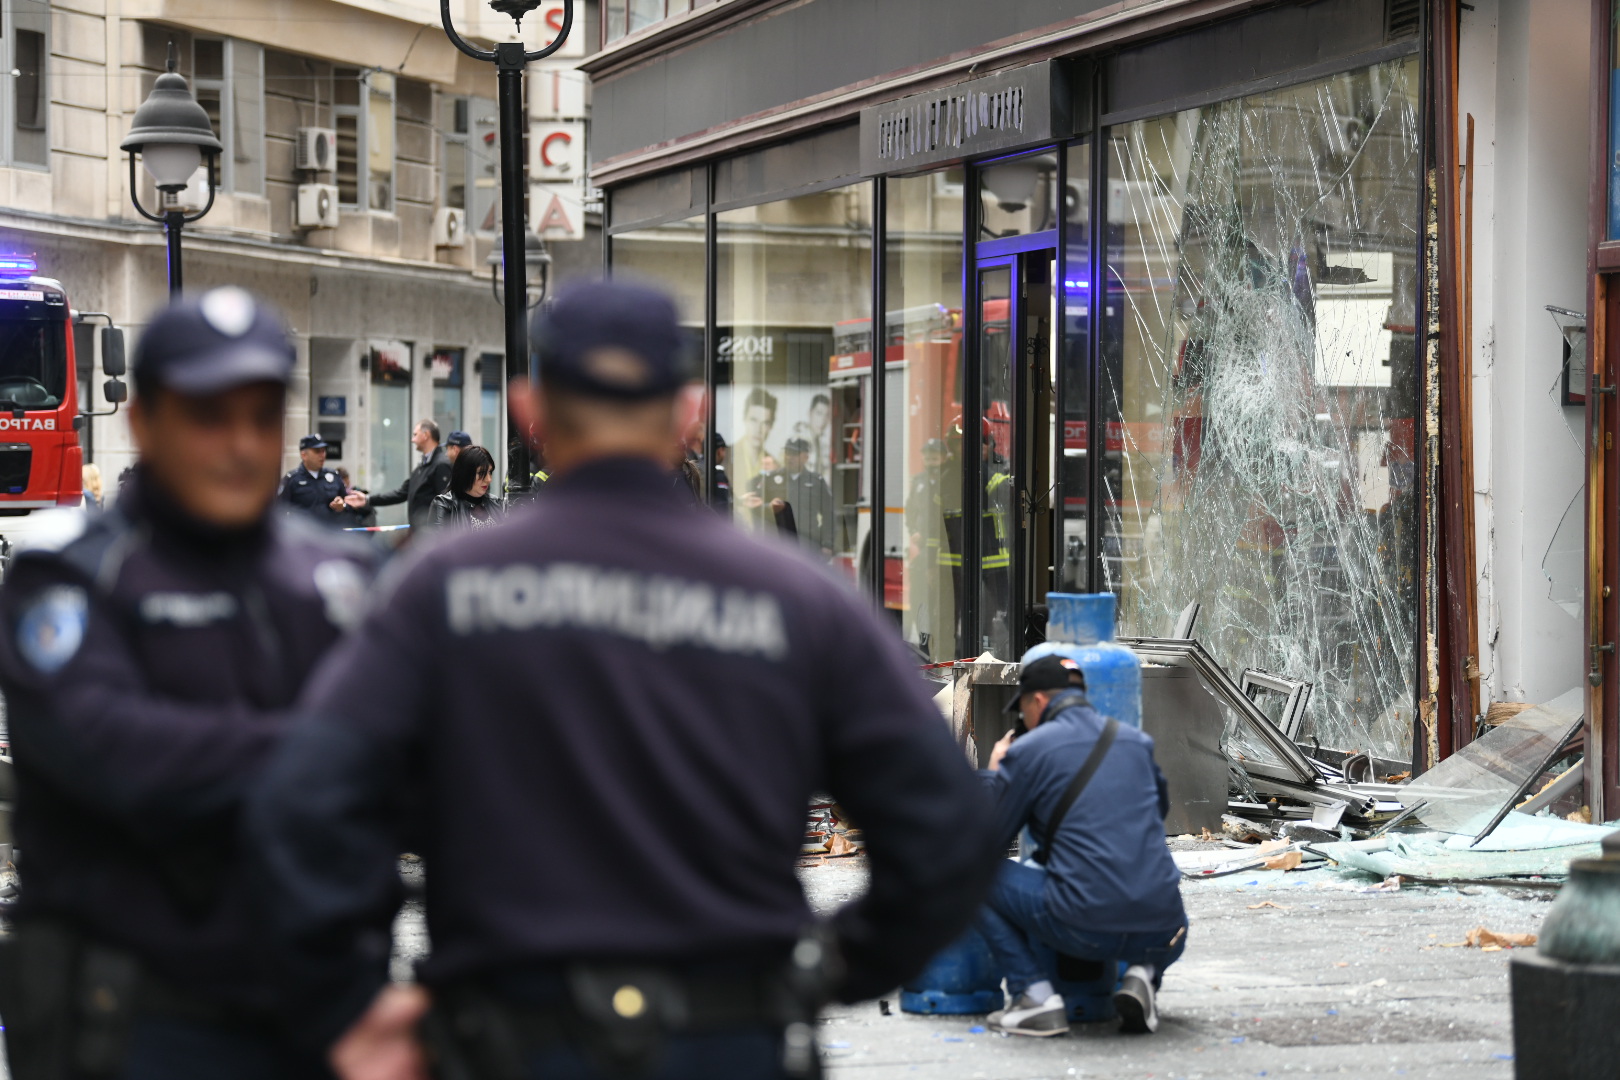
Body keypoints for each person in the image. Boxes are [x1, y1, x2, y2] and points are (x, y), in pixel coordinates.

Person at [250, 279, 998, 1080]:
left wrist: (358, 995)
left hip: (510, 1036)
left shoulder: (443, 591)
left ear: (531, 410)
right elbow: (950, 832)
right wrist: (823, 967)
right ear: (690, 413)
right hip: (730, 1038)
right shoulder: (794, 598)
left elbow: (303, 809)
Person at [0, 287, 375, 1079]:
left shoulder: (336, 575)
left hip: (321, 1010)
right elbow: (114, 753)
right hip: (132, 1016)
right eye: (208, 416)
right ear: (144, 422)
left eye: (262, 417)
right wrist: (339, 751)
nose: (240, 444)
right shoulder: (71, 576)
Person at [976, 655, 1187, 1038]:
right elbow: (1158, 813)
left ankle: (1034, 996)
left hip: (1085, 926)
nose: (1023, 720)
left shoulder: (1029, 750)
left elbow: (989, 840)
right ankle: (1143, 975)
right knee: (1156, 905)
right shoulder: (1136, 741)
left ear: (1038, 701)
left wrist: (995, 772)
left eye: (1022, 710)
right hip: (1166, 928)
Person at [348, 419, 451, 530]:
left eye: (415, 434)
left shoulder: (441, 465)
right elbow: (401, 493)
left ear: (426, 435)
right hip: (419, 533)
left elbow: (445, 505)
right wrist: (367, 500)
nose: (412, 440)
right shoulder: (422, 467)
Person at [779, 437, 835, 560]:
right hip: (779, 543)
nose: (789, 457)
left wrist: (827, 543)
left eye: (794, 454)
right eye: (787, 453)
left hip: (808, 544)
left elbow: (829, 514)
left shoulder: (816, 481)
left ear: (806, 457)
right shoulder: (773, 480)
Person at [279, 434, 353, 526]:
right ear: (304, 455)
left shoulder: (334, 476)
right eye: (317, 451)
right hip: (302, 533)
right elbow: (279, 510)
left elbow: (348, 503)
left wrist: (342, 505)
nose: (322, 455)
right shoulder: (292, 479)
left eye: (323, 451)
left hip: (329, 532)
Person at [429, 445, 506, 530]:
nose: (489, 479)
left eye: (490, 472)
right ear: (466, 474)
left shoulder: (496, 503)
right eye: (481, 473)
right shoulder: (444, 504)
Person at [710, 431, 733, 515]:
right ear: (720, 451)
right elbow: (723, 507)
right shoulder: (718, 475)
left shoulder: (696, 469)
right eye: (724, 450)